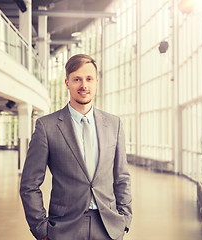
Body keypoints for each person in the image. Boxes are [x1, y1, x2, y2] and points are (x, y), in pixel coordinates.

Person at [20, 54, 132, 240]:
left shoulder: (114, 124)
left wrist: (125, 219)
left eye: (89, 79)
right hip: (64, 228)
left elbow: (122, 177)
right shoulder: (46, 126)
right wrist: (42, 229)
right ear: (67, 83)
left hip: (108, 227)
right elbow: (29, 184)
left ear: (96, 82)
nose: (84, 85)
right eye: (77, 79)